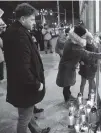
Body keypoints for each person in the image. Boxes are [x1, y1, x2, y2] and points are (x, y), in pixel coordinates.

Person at [3, 3, 50, 133]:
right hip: (25, 85)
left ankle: (37, 130)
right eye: (32, 19)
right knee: (24, 117)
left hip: (20, 84)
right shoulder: (20, 35)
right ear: (22, 19)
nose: (34, 22)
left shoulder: (16, 30)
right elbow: (22, 68)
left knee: (27, 112)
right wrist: (36, 84)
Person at [56, 25, 101, 105]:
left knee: (68, 84)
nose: (84, 38)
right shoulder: (74, 46)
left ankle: (69, 96)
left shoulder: (71, 40)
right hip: (66, 67)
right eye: (83, 36)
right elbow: (86, 54)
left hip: (69, 66)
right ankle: (67, 100)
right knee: (66, 84)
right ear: (78, 36)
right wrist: (100, 56)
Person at [78, 33, 98, 97]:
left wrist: (95, 65)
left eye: (89, 39)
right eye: (87, 38)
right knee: (83, 84)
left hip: (91, 68)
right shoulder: (83, 47)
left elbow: (96, 58)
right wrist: (80, 61)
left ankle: (90, 97)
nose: (89, 40)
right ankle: (80, 97)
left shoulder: (95, 48)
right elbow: (79, 56)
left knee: (90, 84)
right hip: (84, 68)